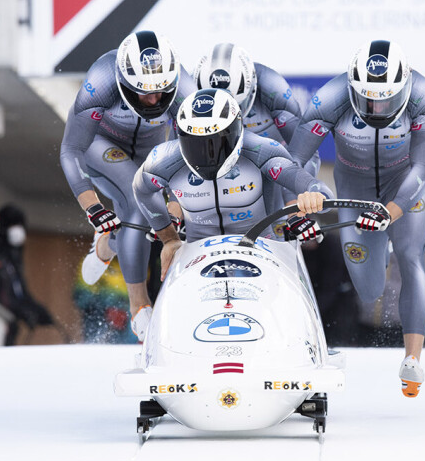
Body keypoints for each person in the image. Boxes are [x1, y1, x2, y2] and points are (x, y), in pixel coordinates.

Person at [287, 40, 425, 397]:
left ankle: (412, 360)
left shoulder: (424, 96)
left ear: (402, 90)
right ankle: (377, 257)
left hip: (404, 190)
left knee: (411, 256)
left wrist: (394, 210)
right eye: (368, 99)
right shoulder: (330, 98)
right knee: (369, 291)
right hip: (356, 194)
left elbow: (424, 166)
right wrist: (306, 190)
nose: (376, 107)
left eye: (385, 100)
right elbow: (292, 160)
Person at [132, 89, 334, 340]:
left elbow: (304, 181)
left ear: (236, 131)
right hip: (197, 255)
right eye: (196, 144)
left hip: (262, 251)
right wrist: (169, 238)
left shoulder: (261, 150)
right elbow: (142, 190)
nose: (207, 154)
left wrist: (313, 195)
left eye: (216, 142)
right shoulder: (163, 160)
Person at [59, 30, 195, 340]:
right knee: (139, 199)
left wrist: (176, 199)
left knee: (145, 215)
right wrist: (92, 206)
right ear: (123, 84)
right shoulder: (101, 80)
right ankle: (140, 306)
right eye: (143, 92)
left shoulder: (185, 88)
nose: (153, 100)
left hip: (150, 150)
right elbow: (71, 150)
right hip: (100, 145)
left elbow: (187, 149)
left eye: (161, 92)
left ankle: (107, 244)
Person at [194, 43, 321, 238]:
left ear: (251, 90)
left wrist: (293, 203)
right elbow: (181, 154)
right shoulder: (191, 95)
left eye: (236, 106)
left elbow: (305, 150)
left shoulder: (273, 88)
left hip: (272, 173)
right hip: (215, 174)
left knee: (277, 232)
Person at [0, 205, 57, 345]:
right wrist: (19, 310)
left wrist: (38, 311)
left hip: (11, 325)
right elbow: (0, 291)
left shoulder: (14, 256)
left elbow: (20, 292)